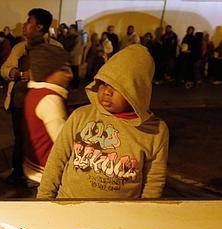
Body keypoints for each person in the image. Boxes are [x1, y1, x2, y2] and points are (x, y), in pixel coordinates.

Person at [37, 44, 169, 199]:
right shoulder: (81, 116)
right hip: (68, 205)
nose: (107, 91)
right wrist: (44, 199)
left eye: (118, 86)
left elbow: (154, 180)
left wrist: (144, 212)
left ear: (137, 91)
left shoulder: (156, 131)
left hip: (119, 215)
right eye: (104, 83)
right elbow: (57, 160)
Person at [1, 8, 62, 186]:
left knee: (41, 139)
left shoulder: (55, 48)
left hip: (45, 102)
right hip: (20, 100)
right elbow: (4, 69)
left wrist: (37, 75)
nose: (24, 25)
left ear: (40, 27)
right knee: (20, 137)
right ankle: (18, 172)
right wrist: (13, 72)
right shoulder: (20, 47)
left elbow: (63, 73)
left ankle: (41, 174)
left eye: (29, 21)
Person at [23, 40, 72, 183]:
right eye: (63, 69)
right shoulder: (50, 100)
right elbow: (63, 142)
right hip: (45, 173)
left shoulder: (34, 93)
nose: (69, 75)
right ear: (47, 72)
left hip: (32, 167)